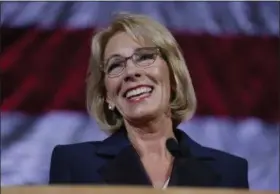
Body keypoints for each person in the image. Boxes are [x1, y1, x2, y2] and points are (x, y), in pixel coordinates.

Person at [49, 13, 249, 189]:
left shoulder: (229, 172)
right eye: (115, 65)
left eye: (144, 57)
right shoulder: (74, 164)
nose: (131, 72)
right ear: (108, 96)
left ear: (172, 76)